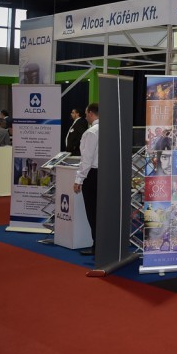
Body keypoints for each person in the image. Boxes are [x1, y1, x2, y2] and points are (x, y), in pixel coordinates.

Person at [72, 104, 100, 256]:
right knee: (103, 212)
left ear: (90, 113)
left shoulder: (91, 132)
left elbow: (86, 159)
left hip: (93, 175)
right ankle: (104, 245)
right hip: (108, 175)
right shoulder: (110, 130)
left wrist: (79, 179)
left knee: (93, 211)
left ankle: (97, 246)